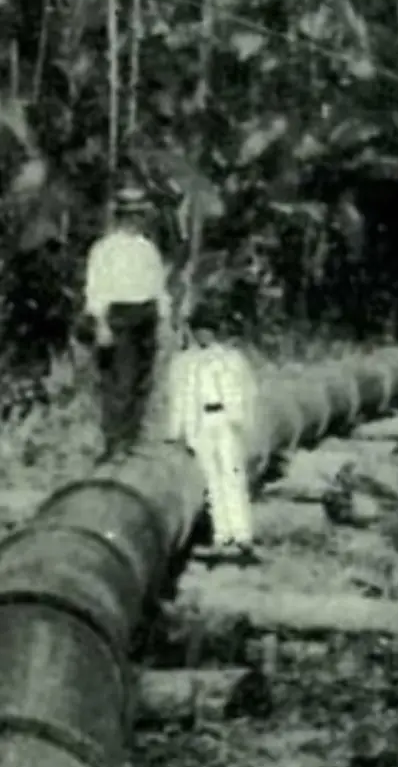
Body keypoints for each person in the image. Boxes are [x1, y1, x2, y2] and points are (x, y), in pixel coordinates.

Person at [164, 300, 262, 562]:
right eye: (199, 330)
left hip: (226, 420)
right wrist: (176, 432)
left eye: (208, 329)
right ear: (193, 332)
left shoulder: (230, 359)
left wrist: (246, 424)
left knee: (232, 473)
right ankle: (222, 535)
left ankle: (241, 534)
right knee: (211, 480)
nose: (203, 334)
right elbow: (178, 398)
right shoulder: (184, 363)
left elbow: (247, 391)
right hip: (200, 423)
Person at [80, 182, 172, 458]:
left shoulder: (146, 248)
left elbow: (158, 286)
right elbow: (95, 288)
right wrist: (102, 324)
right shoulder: (105, 249)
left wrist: (164, 320)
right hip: (118, 316)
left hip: (146, 313)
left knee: (142, 381)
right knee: (120, 379)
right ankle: (114, 442)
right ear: (122, 216)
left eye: (140, 214)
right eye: (132, 214)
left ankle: (131, 439)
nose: (137, 220)